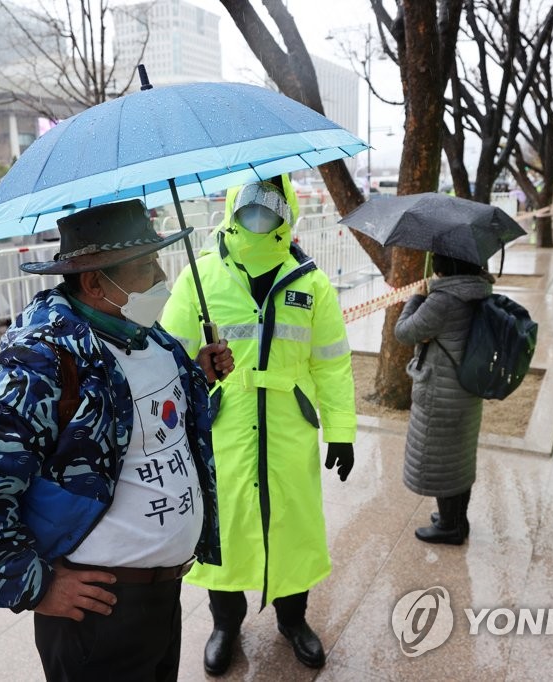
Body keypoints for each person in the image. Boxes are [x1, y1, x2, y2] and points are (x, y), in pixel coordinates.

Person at [0, 200, 234, 682]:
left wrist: (199, 375)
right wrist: (37, 586)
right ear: (95, 282)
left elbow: (136, 417)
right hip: (99, 612)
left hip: (163, 596)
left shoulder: (145, 334)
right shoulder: (41, 360)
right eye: (145, 266)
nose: (161, 277)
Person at [160, 175, 356, 675]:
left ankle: (294, 620)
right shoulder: (200, 280)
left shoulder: (309, 282)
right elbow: (166, 360)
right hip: (223, 429)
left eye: (273, 199)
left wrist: (340, 430)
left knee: (292, 525)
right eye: (251, 199)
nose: (260, 209)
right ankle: (226, 622)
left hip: (290, 429)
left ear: (289, 208)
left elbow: (331, 363)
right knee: (226, 528)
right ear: (231, 206)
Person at [394, 253, 494, 545]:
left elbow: (404, 332)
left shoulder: (443, 301)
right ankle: (456, 519)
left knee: (441, 460)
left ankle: (451, 527)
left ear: (444, 267)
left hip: (441, 392)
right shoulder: (479, 290)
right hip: (467, 389)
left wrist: (416, 297)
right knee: (459, 458)